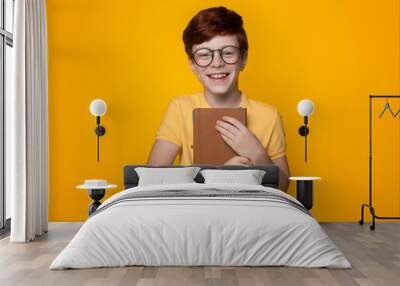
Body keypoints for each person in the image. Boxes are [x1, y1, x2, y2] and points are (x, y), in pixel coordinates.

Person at [147, 6, 290, 191]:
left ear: (243, 59)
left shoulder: (269, 115)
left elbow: (283, 186)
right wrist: (222, 175)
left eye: (228, 52)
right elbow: (152, 180)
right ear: (192, 64)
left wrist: (258, 155)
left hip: (247, 214)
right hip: (195, 214)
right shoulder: (180, 108)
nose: (217, 63)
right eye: (205, 55)